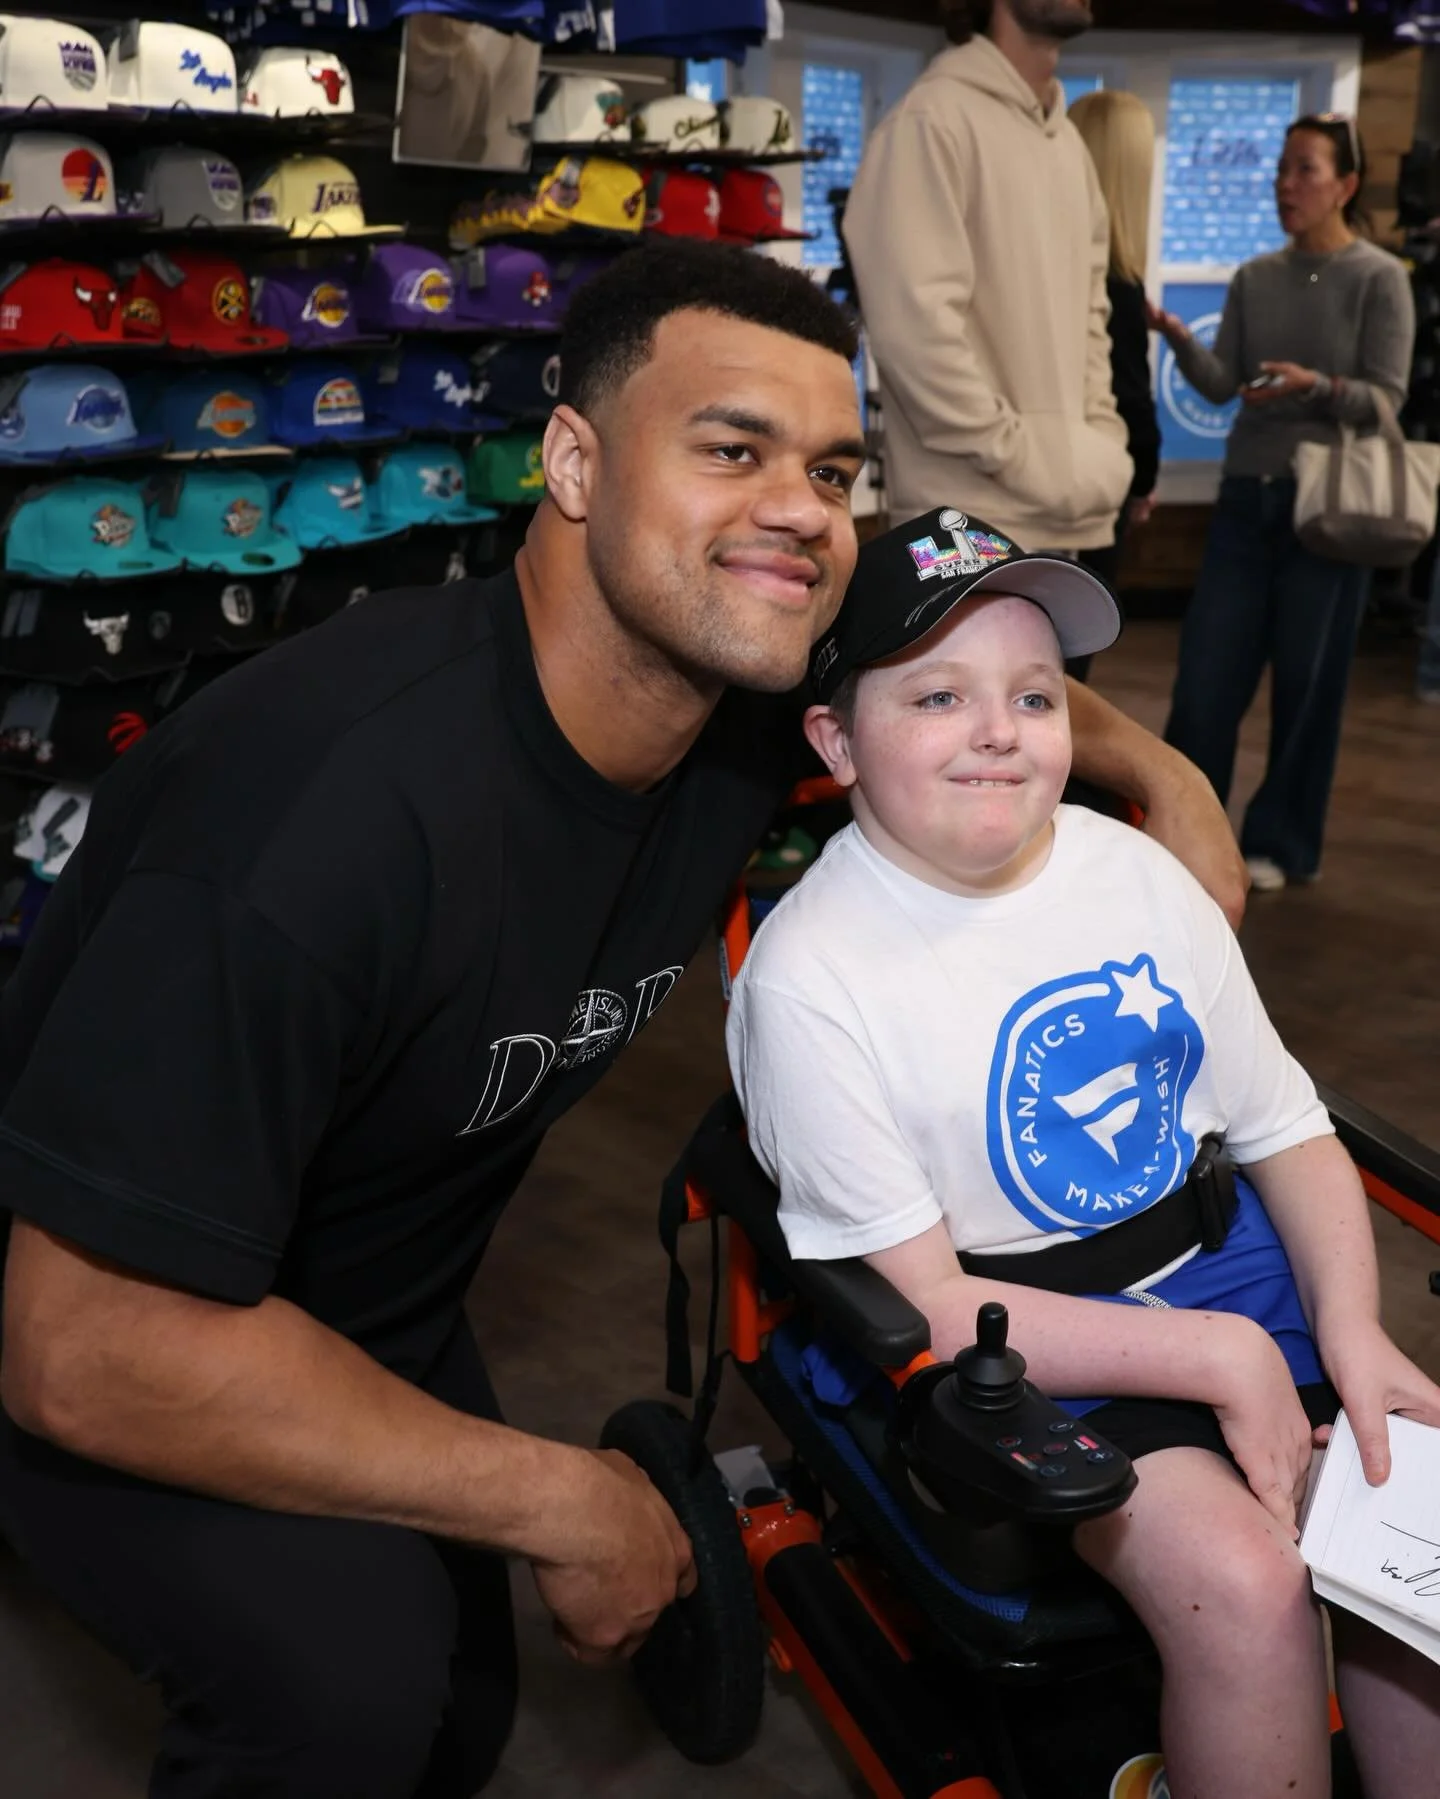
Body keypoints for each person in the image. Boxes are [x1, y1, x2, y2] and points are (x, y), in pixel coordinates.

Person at [0, 242, 1245, 1799]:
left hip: (366, 1297)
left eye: (832, 464)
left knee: (454, 1713)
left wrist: (1162, 768)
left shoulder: (732, 678)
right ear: (574, 462)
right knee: (345, 1704)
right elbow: (82, 1343)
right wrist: (563, 1496)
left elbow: (957, 626)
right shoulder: (315, 820)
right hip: (136, 1326)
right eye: (732, 449)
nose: (800, 506)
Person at [727, 507, 1440, 1799]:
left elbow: (1284, 1127)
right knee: (1248, 1582)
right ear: (834, 738)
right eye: (938, 693)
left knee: (1414, 1539)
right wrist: (1216, 1355)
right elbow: (932, 1305)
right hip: (1014, 1344)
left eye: (1035, 693)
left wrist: (1354, 1330)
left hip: (1227, 1264)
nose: (999, 729)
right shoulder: (811, 976)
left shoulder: (1133, 872)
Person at [1152, 114, 1415, 892]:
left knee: (1309, 687)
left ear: (1347, 184)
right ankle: (1184, 833)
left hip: (1328, 511)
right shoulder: (1256, 276)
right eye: (1281, 170)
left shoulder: (1379, 278)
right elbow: (1224, 384)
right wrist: (1174, 336)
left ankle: (1285, 844)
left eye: (1305, 170)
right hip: (1244, 500)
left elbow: (1387, 398)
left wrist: (1318, 387)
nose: (1285, 185)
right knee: (1205, 682)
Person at [842, 0, 1133, 557]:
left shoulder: (1069, 146)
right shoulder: (928, 122)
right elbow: (914, 334)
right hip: (959, 530)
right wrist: (1021, 456)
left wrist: (1101, 442)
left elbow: (1092, 321)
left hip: (1062, 515)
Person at [1069, 87, 1162, 670]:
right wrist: (1144, 477)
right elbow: (1129, 398)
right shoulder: (1116, 289)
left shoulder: (1056, 276)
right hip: (1093, 490)